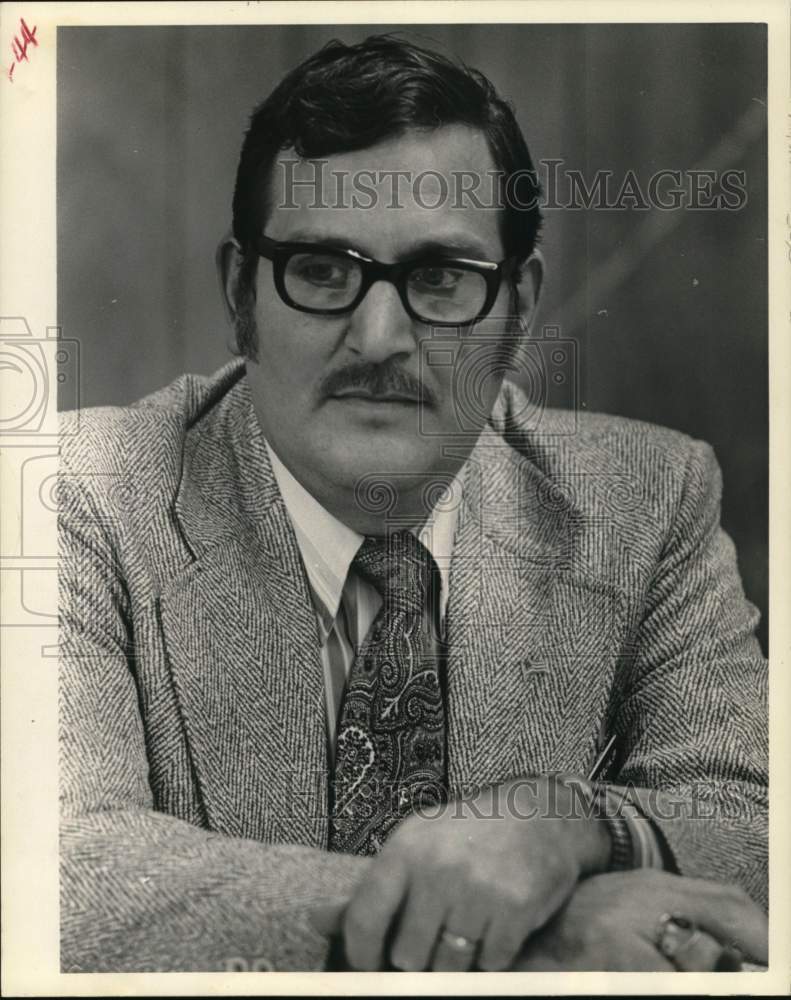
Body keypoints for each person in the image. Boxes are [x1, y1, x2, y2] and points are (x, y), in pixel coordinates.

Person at [58, 35, 768, 973]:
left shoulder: (647, 500)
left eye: (439, 279)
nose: (380, 337)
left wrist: (566, 827)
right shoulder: (76, 493)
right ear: (241, 294)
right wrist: (513, 933)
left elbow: (750, 820)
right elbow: (55, 865)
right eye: (321, 271)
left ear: (517, 308)